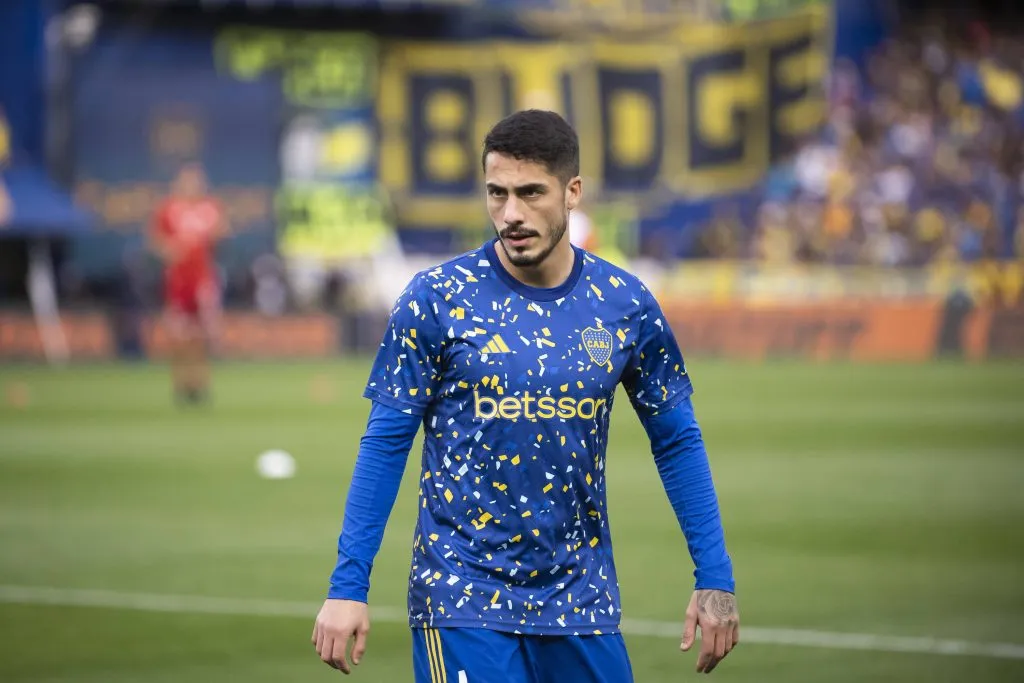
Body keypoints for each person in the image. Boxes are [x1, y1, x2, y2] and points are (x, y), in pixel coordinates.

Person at [313, 110, 738, 681]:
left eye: (531, 193)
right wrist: (347, 587)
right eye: (497, 193)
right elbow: (385, 443)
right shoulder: (436, 299)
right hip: (462, 598)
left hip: (582, 602)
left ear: (573, 192)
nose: (511, 214)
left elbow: (677, 440)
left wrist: (715, 578)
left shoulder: (624, 303)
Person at [148, 163, 227, 404]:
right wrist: (168, 250)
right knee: (179, 335)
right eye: (188, 181)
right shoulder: (169, 209)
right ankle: (181, 383)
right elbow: (155, 239)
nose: (193, 186)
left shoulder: (210, 207)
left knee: (203, 334)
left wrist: (214, 237)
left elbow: (222, 233)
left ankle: (200, 383)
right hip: (178, 282)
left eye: (197, 181)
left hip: (202, 280)